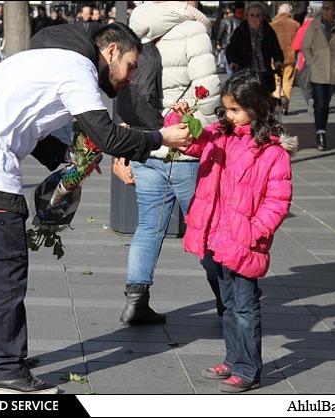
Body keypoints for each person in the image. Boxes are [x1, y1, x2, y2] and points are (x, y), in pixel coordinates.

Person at [0, 22, 192, 395]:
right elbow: (108, 135)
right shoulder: (77, 67)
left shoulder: (46, 58)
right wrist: (159, 138)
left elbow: (28, 124)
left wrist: (66, 155)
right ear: (111, 52)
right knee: (4, 277)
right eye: (131, 66)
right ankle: (5, 372)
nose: (131, 78)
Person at [167, 68, 297, 393]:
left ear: (254, 108)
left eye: (235, 109)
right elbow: (190, 142)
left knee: (245, 307)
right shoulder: (219, 134)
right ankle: (232, 357)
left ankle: (248, 368)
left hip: (243, 240)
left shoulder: (271, 151)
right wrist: (178, 118)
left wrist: (255, 231)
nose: (229, 114)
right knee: (227, 305)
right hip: (217, 236)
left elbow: (277, 200)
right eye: (226, 108)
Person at [113, 0, 222, 326]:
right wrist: (200, 126)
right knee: (204, 226)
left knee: (148, 226)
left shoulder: (136, 29)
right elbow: (208, 92)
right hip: (184, 147)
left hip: (148, 144)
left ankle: (136, 302)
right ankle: (226, 297)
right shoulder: (193, 30)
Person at [302, 1, 335, 151]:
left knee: (326, 104)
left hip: (333, 70)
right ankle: (320, 133)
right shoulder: (314, 25)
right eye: (323, 8)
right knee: (320, 103)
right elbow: (305, 45)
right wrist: (311, 61)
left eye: (328, 8)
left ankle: (322, 129)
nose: (324, 11)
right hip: (317, 68)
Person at [225, 1, 284, 94]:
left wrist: (278, 60)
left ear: (263, 17)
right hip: (245, 72)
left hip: (264, 73)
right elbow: (231, 48)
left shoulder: (269, 31)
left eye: (258, 15)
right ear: (247, 16)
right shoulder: (240, 31)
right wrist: (232, 62)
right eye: (251, 15)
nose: (254, 18)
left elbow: (276, 49)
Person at [270, 3, 300, 116]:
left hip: (275, 58)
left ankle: (278, 98)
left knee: (276, 81)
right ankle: (284, 107)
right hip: (290, 57)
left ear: (279, 11)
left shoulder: (272, 24)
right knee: (288, 82)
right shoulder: (296, 24)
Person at [291, 12, 314, 114]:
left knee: (304, 82)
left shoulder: (303, 29)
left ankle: (310, 99)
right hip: (318, 59)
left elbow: (296, 45)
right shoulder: (320, 29)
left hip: (304, 58)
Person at [216, 5, 242, 77]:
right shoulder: (239, 21)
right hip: (237, 45)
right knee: (236, 62)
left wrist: (218, 42)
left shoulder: (224, 21)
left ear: (228, 11)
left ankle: (232, 78)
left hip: (226, 44)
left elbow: (220, 32)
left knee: (229, 63)